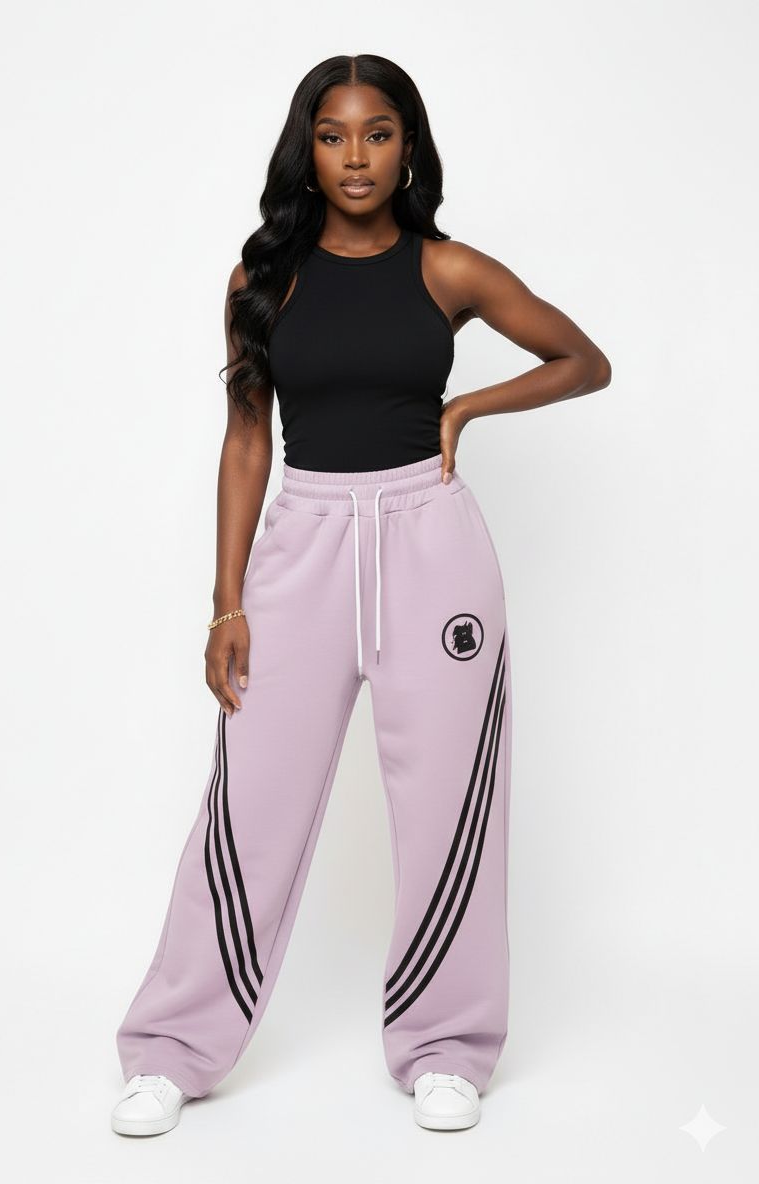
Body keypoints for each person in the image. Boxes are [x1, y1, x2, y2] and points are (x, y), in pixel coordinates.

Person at [111, 54, 611, 1137]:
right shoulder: (262, 280)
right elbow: (247, 440)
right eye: (333, 135)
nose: (355, 157)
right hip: (302, 546)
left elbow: (584, 359)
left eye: (377, 134)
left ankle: (447, 1047)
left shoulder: (448, 268)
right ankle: (174, 1048)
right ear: (307, 149)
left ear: (408, 148)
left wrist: (467, 407)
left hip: (434, 550)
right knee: (248, 805)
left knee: (448, 808)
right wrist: (227, 603)